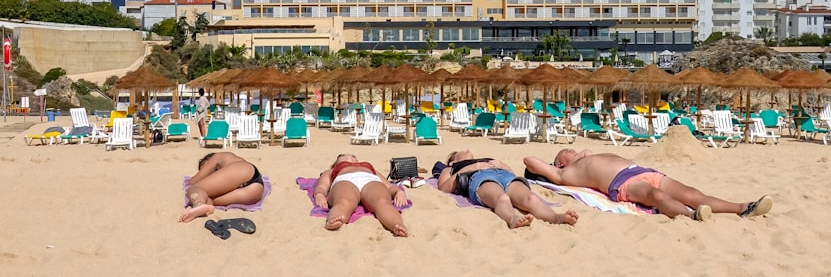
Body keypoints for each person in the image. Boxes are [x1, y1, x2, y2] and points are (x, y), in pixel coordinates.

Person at [522, 148, 772, 221]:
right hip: (623, 183)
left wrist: (580, 154)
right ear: (559, 165)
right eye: (560, 155)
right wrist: (554, 167)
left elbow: (584, 151)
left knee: (693, 192)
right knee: (654, 196)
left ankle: (743, 207)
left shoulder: (586, 156)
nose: (565, 150)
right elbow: (529, 160)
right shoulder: (566, 174)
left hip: (643, 171)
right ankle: (692, 215)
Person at [437, 149, 578, 229]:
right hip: (479, 177)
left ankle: (557, 217)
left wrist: (502, 165)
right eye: (461, 152)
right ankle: (512, 219)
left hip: (505, 175)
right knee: (502, 198)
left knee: (531, 198)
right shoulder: (452, 168)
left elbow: (512, 172)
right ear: (452, 160)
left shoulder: (485, 158)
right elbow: (443, 187)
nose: (467, 150)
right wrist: (472, 168)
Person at [313, 153, 409, 236]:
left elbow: (389, 186)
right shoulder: (331, 171)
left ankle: (397, 224)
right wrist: (319, 194)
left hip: (370, 180)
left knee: (382, 201)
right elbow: (322, 186)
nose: (348, 156)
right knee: (344, 200)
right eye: (342, 156)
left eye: (353, 155)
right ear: (336, 163)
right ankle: (334, 218)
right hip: (345, 179)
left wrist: (398, 192)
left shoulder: (369, 168)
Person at [179, 151, 265, 222]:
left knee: (193, 189)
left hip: (243, 170)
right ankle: (201, 207)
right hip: (255, 190)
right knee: (207, 199)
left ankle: (198, 204)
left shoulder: (219, 156)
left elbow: (193, 181)